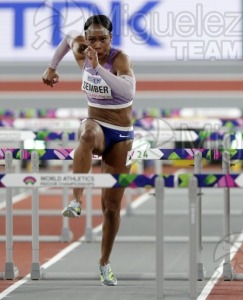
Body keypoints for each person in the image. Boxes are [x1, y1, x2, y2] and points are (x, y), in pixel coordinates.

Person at [42, 15, 135, 286]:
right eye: (92, 39)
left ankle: (104, 262)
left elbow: (127, 94)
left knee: (112, 207)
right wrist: (51, 67)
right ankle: (76, 199)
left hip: (121, 134)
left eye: (102, 39)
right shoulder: (81, 48)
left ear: (111, 39)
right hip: (96, 124)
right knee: (86, 134)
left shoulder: (120, 59)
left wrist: (98, 68)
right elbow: (67, 37)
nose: (97, 44)